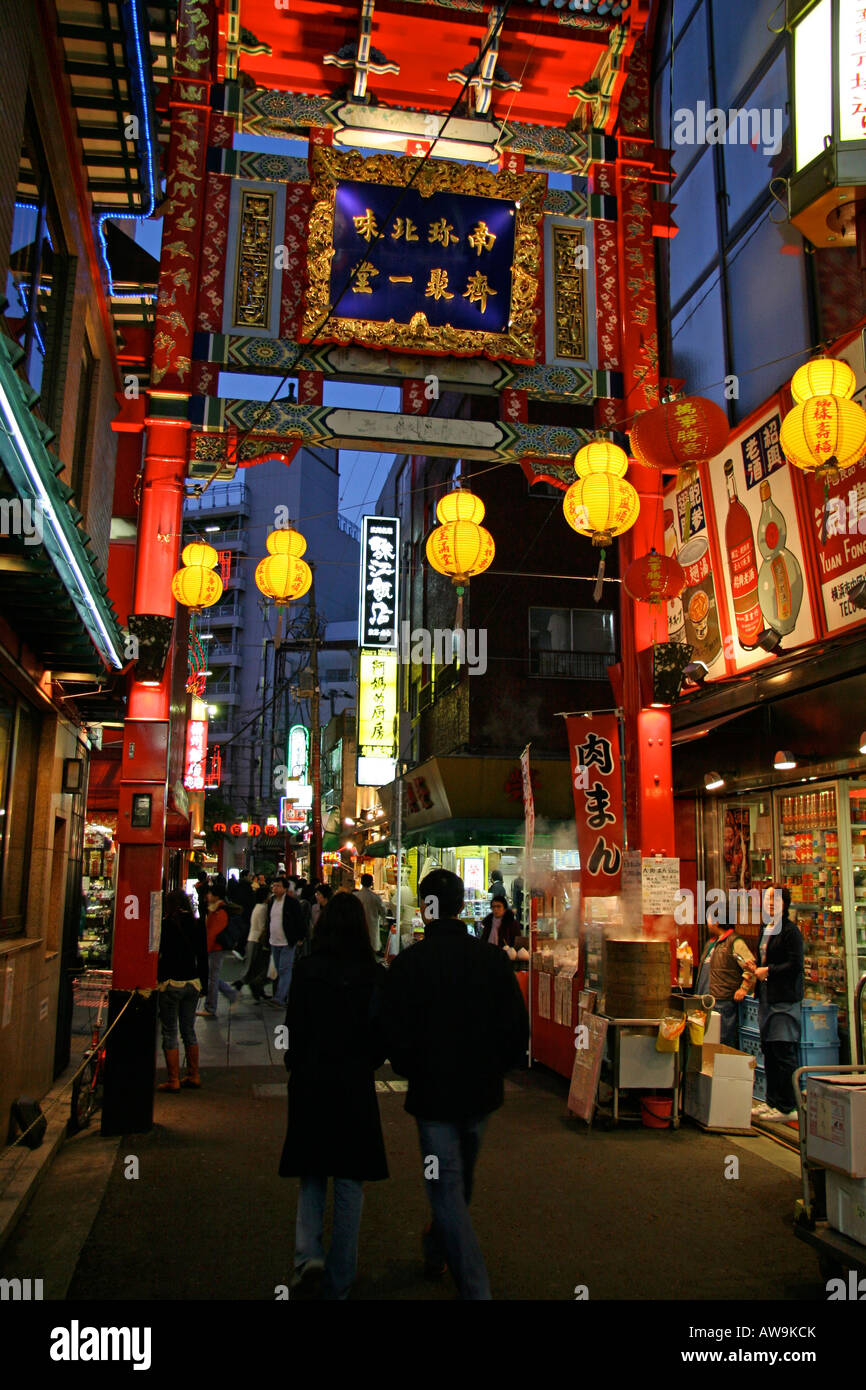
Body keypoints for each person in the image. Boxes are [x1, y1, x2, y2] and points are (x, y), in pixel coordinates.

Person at [380, 868, 529, 1300]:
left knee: (447, 1184)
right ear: (462, 908)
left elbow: (392, 1028)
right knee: (457, 1182)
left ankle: (439, 1246)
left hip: (432, 1095)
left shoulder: (409, 963)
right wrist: (498, 1066)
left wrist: (409, 1066)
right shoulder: (490, 960)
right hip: (481, 1092)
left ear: (425, 909)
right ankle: (473, 1285)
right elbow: (515, 1027)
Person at [279, 891, 388, 1300]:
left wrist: (297, 1063)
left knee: (312, 1170)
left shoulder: (306, 972)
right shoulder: (375, 975)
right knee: (349, 1178)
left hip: (311, 1079)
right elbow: (381, 1038)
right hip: (354, 1084)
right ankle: (341, 1277)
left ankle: (308, 1258)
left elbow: (294, 1027)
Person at [750, 885, 804, 1123]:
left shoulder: (791, 932)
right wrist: (754, 967)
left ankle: (788, 1105)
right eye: (767, 899)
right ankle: (771, 1101)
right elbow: (764, 957)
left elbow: (795, 965)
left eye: (775, 899)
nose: (770, 903)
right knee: (769, 1051)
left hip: (784, 1000)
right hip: (766, 997)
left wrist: (768, 970)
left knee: (783, 1051)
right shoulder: (766, 927)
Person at [157, 890, 208, 1090]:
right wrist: (203, 983)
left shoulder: (165, 924)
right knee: (188, 1029)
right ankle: (193, 1074)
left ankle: (173, 1079)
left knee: (169, 1031)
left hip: (170, 983)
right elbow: (203, 956)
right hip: (192, 983)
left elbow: (158, 952)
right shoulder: (196, 923)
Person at [694, 911, 755, 1046]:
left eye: (708, 920)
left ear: (716, 921)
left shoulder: (734, 941)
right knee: (705, 1042)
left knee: (721, 1042)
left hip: (722, 1002)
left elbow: (750, 966)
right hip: (705, 1000)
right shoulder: (712, 943)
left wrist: (743, 988)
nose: (707, 924)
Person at [268, 875, 307, 1007]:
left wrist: (300, 937)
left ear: (285, 888)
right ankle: (284, 996)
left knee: (285, 970)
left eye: (278, 886)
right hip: (274, 941)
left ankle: (279, 998)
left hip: (287, 941)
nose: (275, 888)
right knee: (280, 970)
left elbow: (299, 920)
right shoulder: (272, 901)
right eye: (274, 886)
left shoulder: (292, 903)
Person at [201, 888, 239, 1017]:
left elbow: (213, 932)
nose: (208, 895)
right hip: (214, 947)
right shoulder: (214, 909)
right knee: (213, 976)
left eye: (210, 893)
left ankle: (210, 1007)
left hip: (216, 948)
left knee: (212, 977)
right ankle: (231, 994)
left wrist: (207, 947)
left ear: (216, 896)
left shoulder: (220, 911)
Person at [235, 884, 270, 1001]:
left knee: (253, 966)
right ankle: (243, 984)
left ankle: (254, 988)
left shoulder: (257, 907)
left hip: (251, 938)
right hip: (256, 940)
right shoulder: (263, 908)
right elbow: (262, 927)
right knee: (256, 966)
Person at [354, 873, 386, 954]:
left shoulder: (356, 896)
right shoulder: (375, 897)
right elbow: (383, 911)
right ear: (372, 883)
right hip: (372, 925)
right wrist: (383, 918)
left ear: (361, 882)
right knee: (372, 946)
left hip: (358, 925)